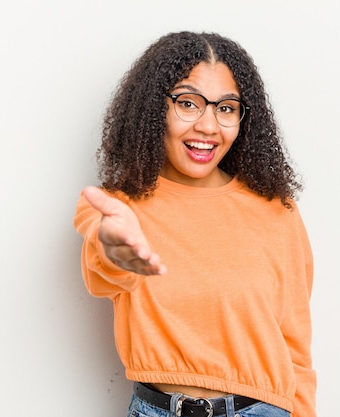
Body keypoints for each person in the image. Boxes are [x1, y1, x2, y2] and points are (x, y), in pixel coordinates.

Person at [73, 31, 316, 417]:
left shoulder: (276, 211)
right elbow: (105, 267)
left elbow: (295, 346)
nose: (208, 125)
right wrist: (115, 246)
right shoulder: (117, 207)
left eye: (226, 108)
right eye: (188, 103)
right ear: (155, 108)